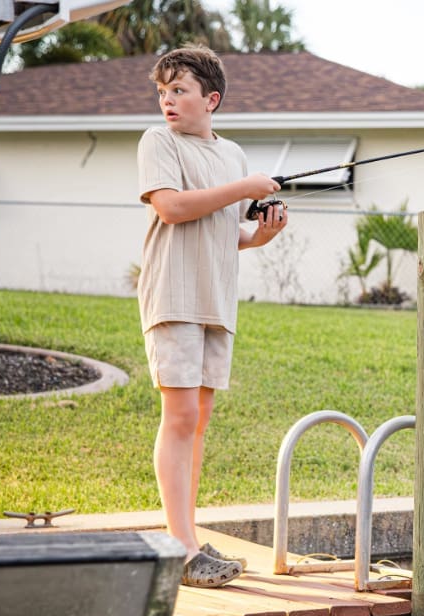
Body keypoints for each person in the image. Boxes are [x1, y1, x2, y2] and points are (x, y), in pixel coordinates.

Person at [137, 46, 287, 587]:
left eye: (179, 90)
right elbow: (173, 208)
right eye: (163, 92)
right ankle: (178, 549)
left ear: (211, 99)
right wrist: (246, 190)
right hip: (173, 296)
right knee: (178, 419)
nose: (168, 101)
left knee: (198, 422)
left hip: (216, 302)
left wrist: (261, 235)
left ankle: (190, 538)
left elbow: (229, 232)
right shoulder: (158, 142)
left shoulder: (234, 155)